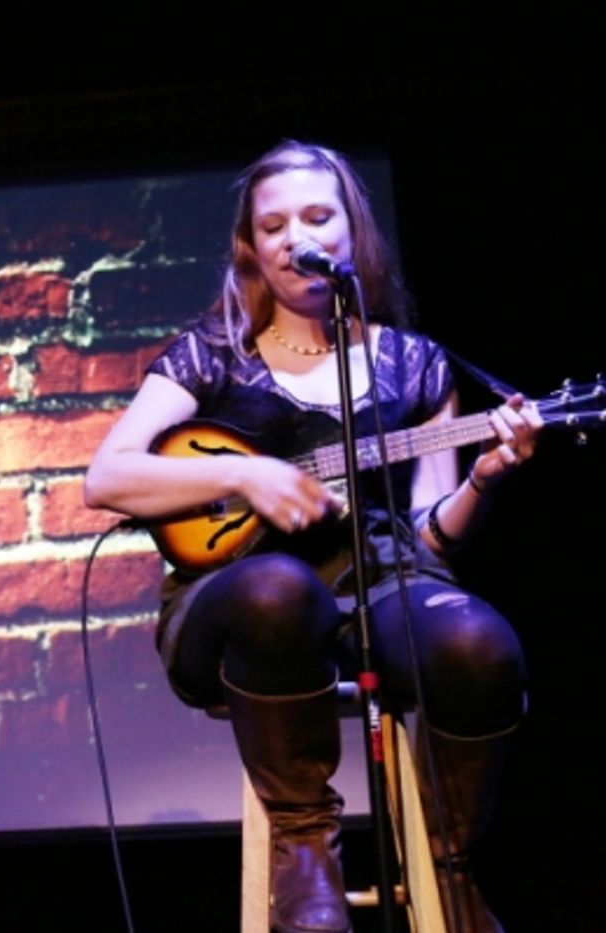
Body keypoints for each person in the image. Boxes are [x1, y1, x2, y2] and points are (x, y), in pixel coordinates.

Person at [84, 141, 540, 933]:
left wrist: (483, 479)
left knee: (479, 641)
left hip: (378, 580)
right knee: (279, 591)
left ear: (350, 233)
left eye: (317, 216)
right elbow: (107, 478)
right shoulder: (210, 354)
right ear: (253, 248)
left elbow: (431, 539)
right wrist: (242, 477)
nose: (298, 237)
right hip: (235, 598)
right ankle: (305, 849)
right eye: (274, 224)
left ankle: (451, 860)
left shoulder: (418, 369)